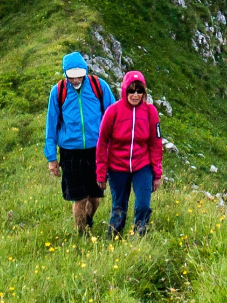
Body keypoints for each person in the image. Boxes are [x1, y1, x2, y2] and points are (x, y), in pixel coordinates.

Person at [44, 51, 115, 234]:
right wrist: (52, 158)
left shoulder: (100, 87)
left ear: (85, 71)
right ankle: (81, 234)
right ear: (65, 73)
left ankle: (88, 220)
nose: (76, 80)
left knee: (96, 197)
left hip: (97, 151)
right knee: (80, 198)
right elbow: (51, 126)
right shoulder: (58, 92)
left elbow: (113, 116)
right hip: (70, 153)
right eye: (72, 77)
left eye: (79, 76)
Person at [95, 70, 165, 237]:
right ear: (124, 90)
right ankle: (113, 239)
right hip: (117, 166)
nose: (135, 95)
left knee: (143, 205)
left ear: (144, 92)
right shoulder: (113, 111)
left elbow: (156, 143)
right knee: (119, 206)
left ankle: (140, 235)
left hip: (142, 166)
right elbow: (102, 143)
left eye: (139, 90)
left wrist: (157, 174)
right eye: (131, 90)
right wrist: (101, 173)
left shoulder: (150, 112)